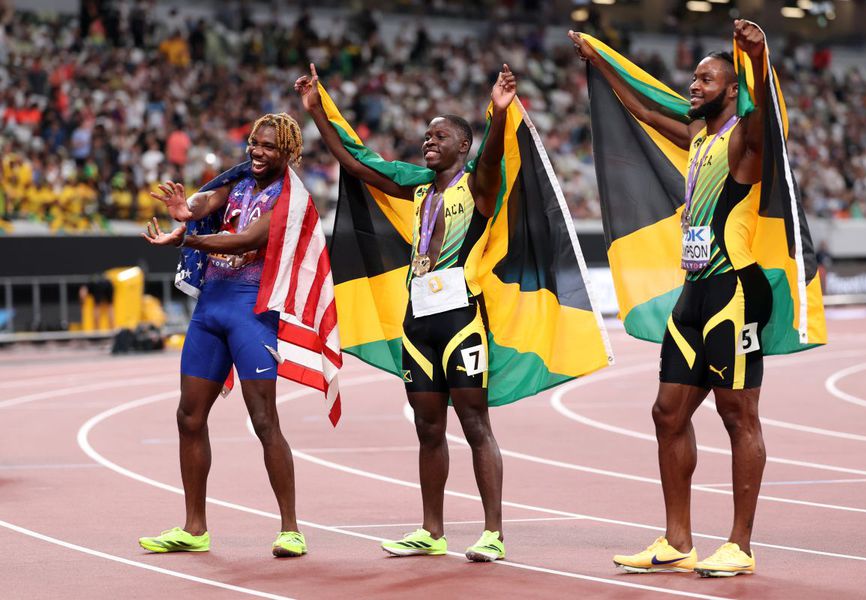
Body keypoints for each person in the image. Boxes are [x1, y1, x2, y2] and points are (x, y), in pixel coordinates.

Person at [571, 20, 770, 577]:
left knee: (738, 413)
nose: (693, 87)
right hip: (695, 290)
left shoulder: (742, 142)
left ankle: (739, 545)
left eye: (706, 80)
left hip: (735, 289)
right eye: (693, 79)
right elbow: (643, 110)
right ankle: (677, 539)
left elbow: (760, 118)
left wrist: (755, 56)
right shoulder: (699, 138)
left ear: (732, 90)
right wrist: (599, 57)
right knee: (667, 413)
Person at [295, 63, 516, 562]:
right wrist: (317, 112)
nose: (428, 141)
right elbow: (359, 165)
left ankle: (492, 533)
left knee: (475, 422)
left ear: (464, 146)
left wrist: (498, 116)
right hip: (418, 322)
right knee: (427, 426)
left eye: (440, 136)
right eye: (426, 135)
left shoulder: (478, 186)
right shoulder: (419, 188)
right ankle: (431, 532)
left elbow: (494, 156)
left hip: (462, 320)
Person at [138, 113, 308, 558]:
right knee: (188, 417)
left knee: (263, 420)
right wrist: (185, 212)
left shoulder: (289, 197)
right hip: (212, 304)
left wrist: (186, 241)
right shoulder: (238, 182)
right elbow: (202, 205)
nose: (258, 151)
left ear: (287, 152)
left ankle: (291, 528)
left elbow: (246, 239)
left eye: (269, 146)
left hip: (251, 309)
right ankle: (195, 528)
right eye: (254, 142)